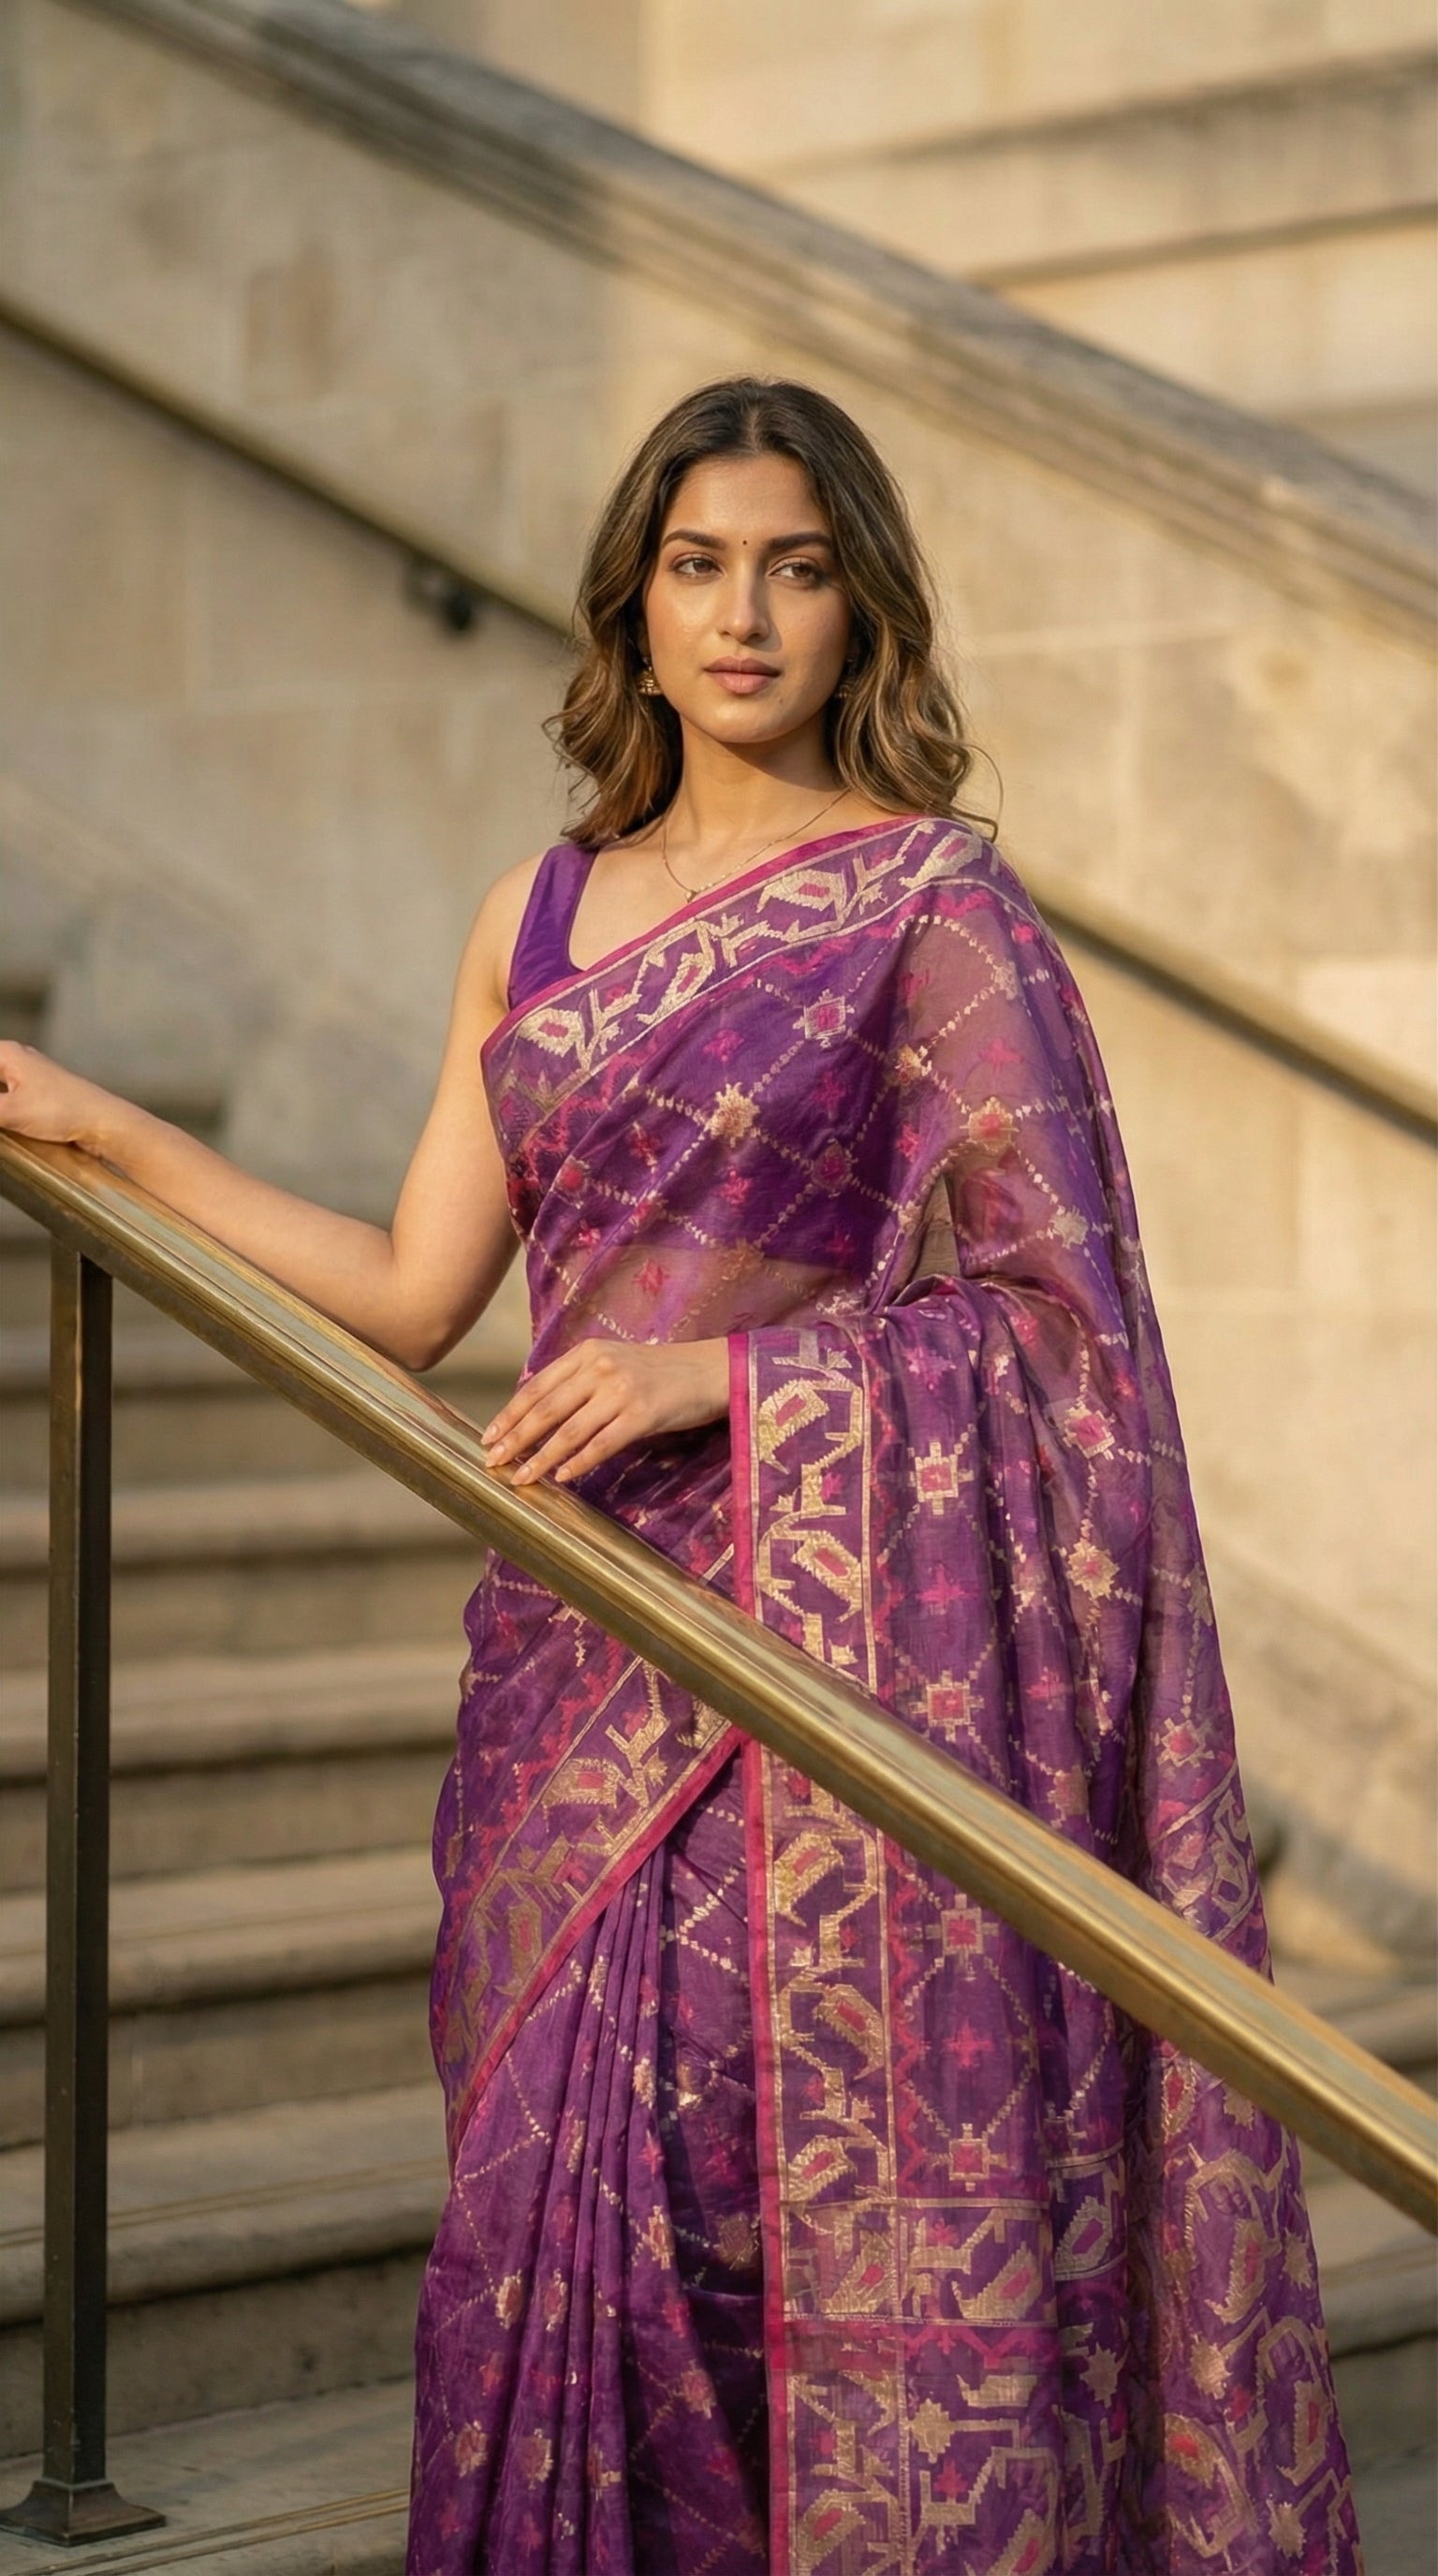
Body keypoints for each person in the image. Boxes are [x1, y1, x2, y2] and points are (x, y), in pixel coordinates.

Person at [0, 378, 1359, 2574]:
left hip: (821, 1683)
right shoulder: (533, 915)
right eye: (703, 564)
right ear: (634, 607)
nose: (747, 613)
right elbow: (413, 1287)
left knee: (744, 2196)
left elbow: (1061, 1337)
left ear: (859, 612)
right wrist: (112, 1135)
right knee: (561, 2180)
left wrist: (716, 1374)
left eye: (799, 567)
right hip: (570, 1667)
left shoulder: (934, 910)